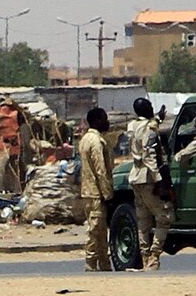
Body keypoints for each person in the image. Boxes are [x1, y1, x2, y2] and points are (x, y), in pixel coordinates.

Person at [128, 97, 175, 271]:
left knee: (143, 222)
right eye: (149, 107)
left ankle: (144, 256)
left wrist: (158, 119)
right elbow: (149, 155)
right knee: (164, 217)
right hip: (148, 178)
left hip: (136, 177)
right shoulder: (150, 129)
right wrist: (159, 180)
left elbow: (149, 124)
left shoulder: (133, 127)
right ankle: (154, 257)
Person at [78, 107, 114, 272]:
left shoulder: (85, 139)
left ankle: (104, 264)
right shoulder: (96, 141)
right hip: (96, 193)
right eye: (105, 119)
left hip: (87, 191)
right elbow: (101, 170)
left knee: (100, 231)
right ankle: (91, 262)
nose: (107, 122)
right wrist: (108, 194)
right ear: (98, 121)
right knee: (95, 230)